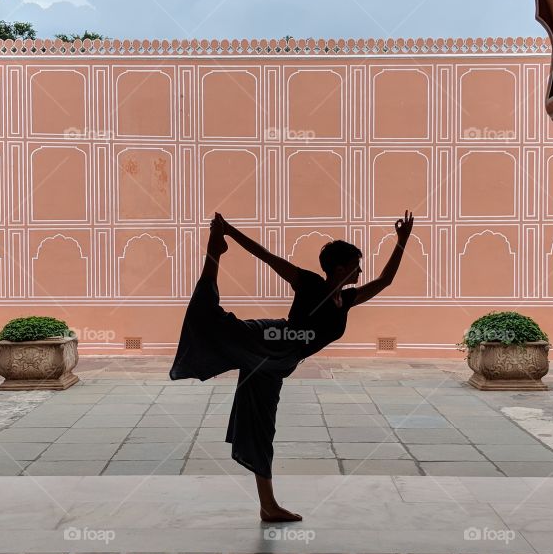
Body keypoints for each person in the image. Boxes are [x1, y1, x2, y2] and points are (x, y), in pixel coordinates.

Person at [169, 210, 415, 522]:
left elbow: (386, 280)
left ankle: (268, 505)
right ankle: (213, 252)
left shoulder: (348, 300)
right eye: (355, 267)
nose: (360, 272)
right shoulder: (310, 284)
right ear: (339, 269)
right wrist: (229, 231)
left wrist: (402, 241)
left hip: (277, 363)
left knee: (261, 427)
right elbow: (266, 256)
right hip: (269, 340)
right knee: (212, 322)